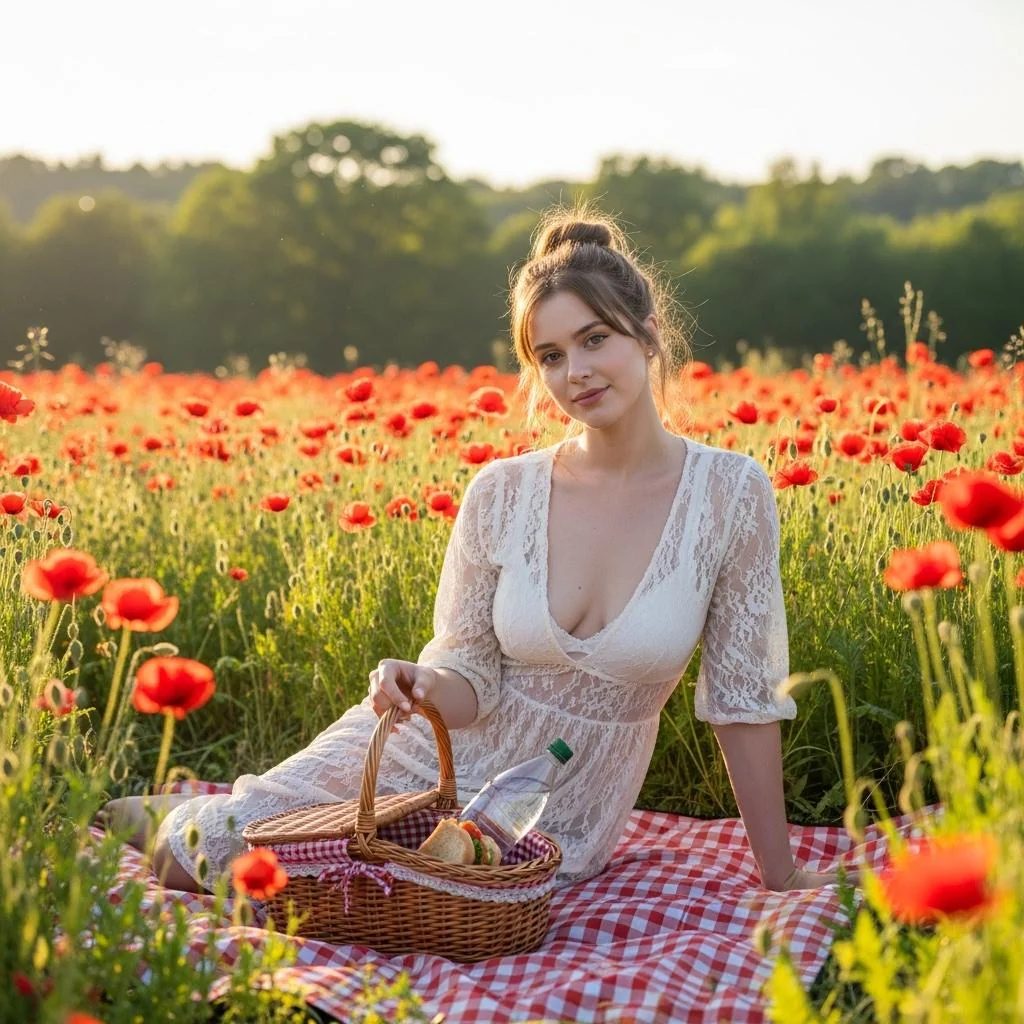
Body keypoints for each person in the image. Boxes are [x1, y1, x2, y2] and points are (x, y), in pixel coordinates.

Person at [102, 204, 840, 893]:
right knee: (227, 858)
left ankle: (216, 808)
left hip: (557, 808)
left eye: (595, 339)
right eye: (549, 355)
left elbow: (743, 700)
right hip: (433, 754)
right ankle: (176, 815)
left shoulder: (728, 494)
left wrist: (780, 874)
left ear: (647, 333)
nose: (575, 373)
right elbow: (468, 677)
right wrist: (414, 681)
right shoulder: (503, 492)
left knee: (398, 887)